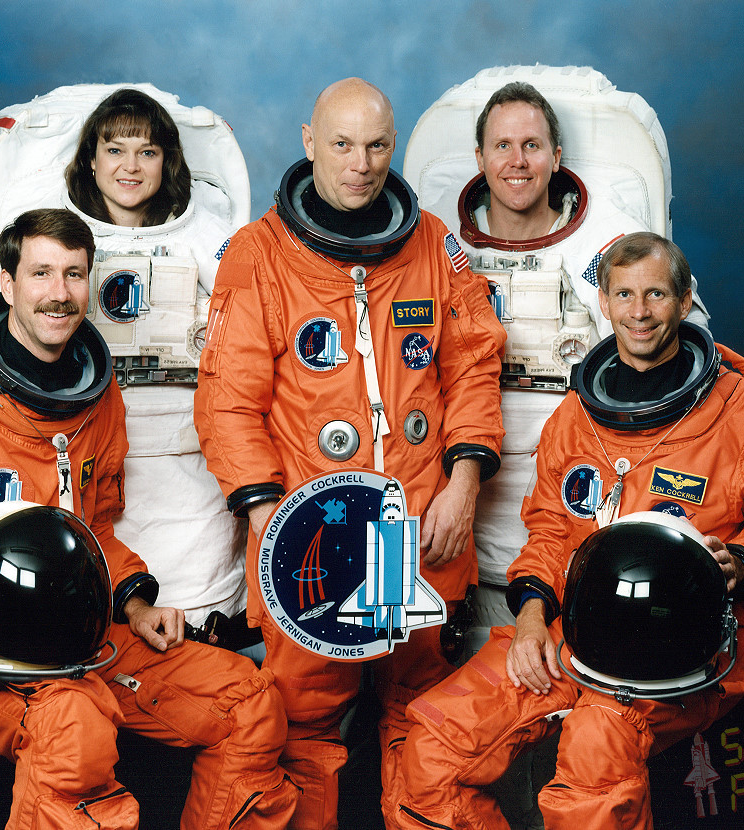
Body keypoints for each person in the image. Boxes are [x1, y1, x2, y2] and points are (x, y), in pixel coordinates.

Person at [0, 209, 298, 830]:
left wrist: (134, 605)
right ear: (7, 283)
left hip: (73, 637)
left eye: (74, 274)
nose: (60, 292)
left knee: (247, 701)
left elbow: (92, 528)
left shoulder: (96, 399)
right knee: (72, 727)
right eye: (41, 272)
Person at [394, 232, 744, 829]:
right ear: (603, 302)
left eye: (655, 294)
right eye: (624, 295)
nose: (639, 312)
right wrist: (531, 621)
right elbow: (549, 530)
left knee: (594, 751)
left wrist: (742, 561)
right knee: (430, 749)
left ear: (684, 302)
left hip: (684, 645)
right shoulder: (574, 417)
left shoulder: (743, 409)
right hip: (572, 632)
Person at [193, 77, 506, 828]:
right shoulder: (258, 254)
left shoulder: (434, 245)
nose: (360, 164)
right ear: (309, 143)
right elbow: (228, 402)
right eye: (341, 144)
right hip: (312, 533)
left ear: (392, 146)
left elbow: (473, 368)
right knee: (303, 724)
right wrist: (270, 521)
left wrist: (464, 485)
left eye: (376, 145)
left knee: (424, 717)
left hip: (423, 527)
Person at [0, 88, 249, 636]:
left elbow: (255, 325)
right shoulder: (51, 238)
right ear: (90, 158)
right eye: (115, 150)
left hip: (184, 466)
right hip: (78, 447)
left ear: (168, 162)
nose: (131, 166)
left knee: (192, 625)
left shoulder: (206, 239)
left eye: (148, 152)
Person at [462, 81, 711, 634]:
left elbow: (680, 342)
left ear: (556, 156)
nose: (517, 161)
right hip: (465, 506)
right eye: (502, 146)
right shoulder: (443, 246)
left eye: (532, 145)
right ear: (479, 158)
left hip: (580, 497)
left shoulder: (603, 247)